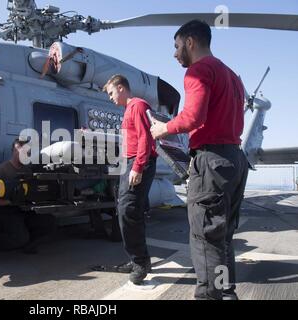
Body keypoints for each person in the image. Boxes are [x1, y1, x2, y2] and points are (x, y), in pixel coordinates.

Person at [150, 20, 249, 300]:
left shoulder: (200, 70)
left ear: (190, 42)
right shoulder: (232, 75)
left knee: (205, 236)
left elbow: (194, 117)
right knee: (223, 234)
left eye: (177, 46)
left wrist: (163, 128)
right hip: (235, 159)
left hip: (211, 161)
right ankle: (226, 292)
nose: (175, 53)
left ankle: (210, 296)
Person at [103, 75, 157, 285]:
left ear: (120, 87)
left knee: (127, 210)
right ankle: (137, 260)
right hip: (131, 162)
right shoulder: (129, 109)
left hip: (138, 162)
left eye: (111, 93)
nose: (110, 98)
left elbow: (146, 137)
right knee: (130, 211)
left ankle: (141, 262)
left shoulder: (138, 106)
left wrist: (138, 166)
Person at [0, 138, 56, 263]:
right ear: (16, 151)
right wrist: (13, 201)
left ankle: (27, 246)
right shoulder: (0, 171)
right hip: (2, 211)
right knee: (19, 237)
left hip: (22, 209)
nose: (28, 155)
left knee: (49, 222)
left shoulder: (27, 171)